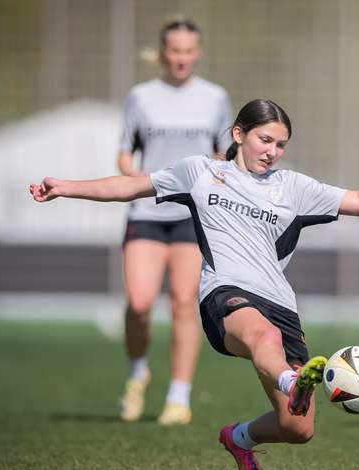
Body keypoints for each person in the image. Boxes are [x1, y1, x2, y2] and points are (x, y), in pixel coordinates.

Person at [30, 99, 359, 469]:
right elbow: (129, 186)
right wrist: (65, 187)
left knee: (298, 429)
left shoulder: (294, 188)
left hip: (281, 304)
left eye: (280, 145)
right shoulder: (200, 172)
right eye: (265, 140)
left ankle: (238, 437)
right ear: (238, 134)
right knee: (265, 335)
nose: (272, 152)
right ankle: (290, 380)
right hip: (224, 295)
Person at [116, 16, 232, 425]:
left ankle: (178, 397)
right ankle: (137, 373)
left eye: (188, 51)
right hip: (147, 213)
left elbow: (224, 153)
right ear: (163, 53)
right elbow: (125, 152)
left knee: (185, 303)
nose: (181, 58)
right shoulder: (141, 96)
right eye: (174, 51)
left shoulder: (215, 98)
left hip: (191, 216)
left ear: (196, 53)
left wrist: (211, 182)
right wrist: (136, 181)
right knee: (139, 302)